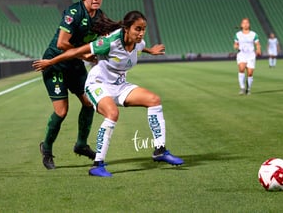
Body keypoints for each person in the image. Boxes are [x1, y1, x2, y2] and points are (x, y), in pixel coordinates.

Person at [33, 10, 184, 177]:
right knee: (112, 113)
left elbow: (140, 47)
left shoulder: (138, 43)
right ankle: (98, 165)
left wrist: (152, 51)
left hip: (120, 86)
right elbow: (75, 52)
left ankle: (160, 150)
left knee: (154, 100)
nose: (141, 33)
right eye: (137, 29)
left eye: (143, 29)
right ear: (126, 28)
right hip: (97, 84)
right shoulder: (109, 42)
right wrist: (50, 61)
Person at [38, 0, 115, 170]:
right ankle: (46, 149)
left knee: (89, 103)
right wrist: (87, 56)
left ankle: (81, 144)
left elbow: (111, 35)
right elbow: (62, 43)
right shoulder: (74, 12)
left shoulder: (99, 16)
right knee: (62, 111)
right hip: (55, 63)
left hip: (75, 64)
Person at [233, 18, 261, 95]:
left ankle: (248, 89)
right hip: (241, 54)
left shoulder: (253, 34)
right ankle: (242, 87)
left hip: (251, 55)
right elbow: (235, 44)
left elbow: (257, 43)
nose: (245, 24)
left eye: (247, 23)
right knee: (241, 68)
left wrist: (258, 49)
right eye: (244, 23)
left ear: (249, 24)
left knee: (250, 73)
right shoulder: (238, 34)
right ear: (241, 25)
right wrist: (236, 46)